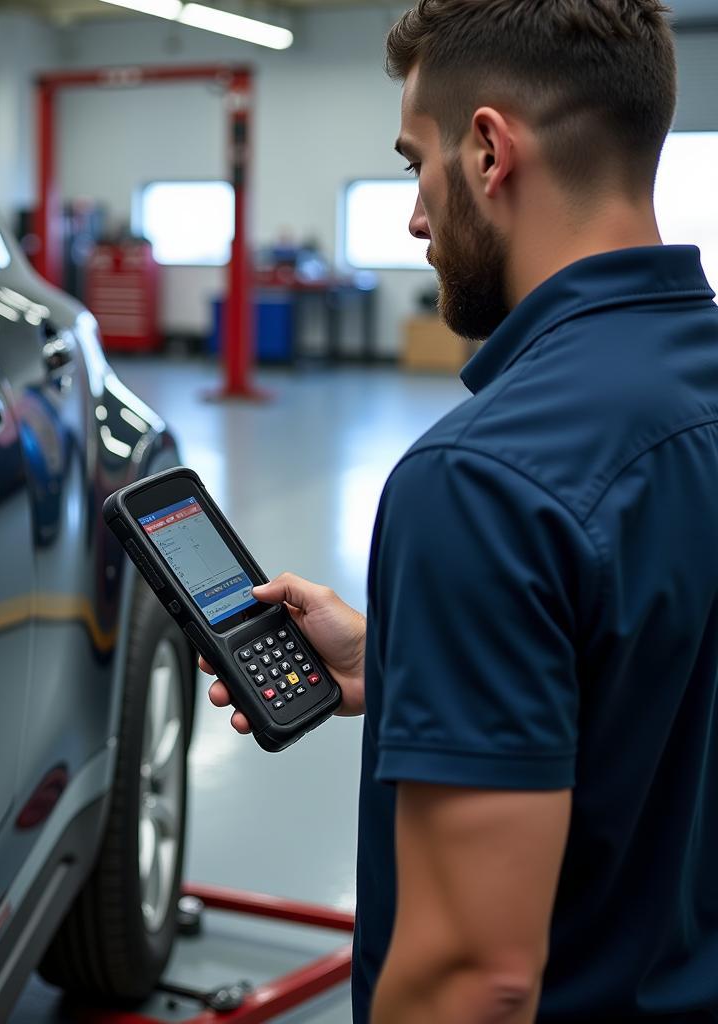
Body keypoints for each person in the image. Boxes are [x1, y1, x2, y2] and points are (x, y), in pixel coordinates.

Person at [201, 1, 718, 1021]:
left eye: (412, 165)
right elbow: (654, 668)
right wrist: (399, 659)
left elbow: (473, 979)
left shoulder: (482, 482)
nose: (414, 218)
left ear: (487, 151)